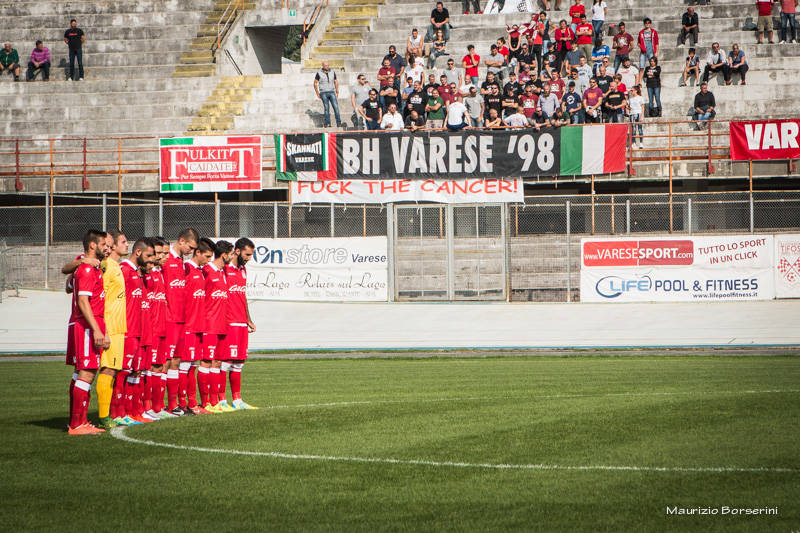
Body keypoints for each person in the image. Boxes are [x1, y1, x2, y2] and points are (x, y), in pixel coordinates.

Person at [67, 230, 110, 434]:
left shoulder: (93, 268)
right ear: (92, 245)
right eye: (103, 244)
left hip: (92, 324)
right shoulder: (85, 269)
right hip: (85, 325)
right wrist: (95, 330)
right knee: (86, 372)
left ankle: (80, 421)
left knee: (82, 373)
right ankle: (77, 424)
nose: (106, 248)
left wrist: (104, 330)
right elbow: (83, 302)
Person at [110, 239, 155, 426]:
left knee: (135, 373)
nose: (153, 259)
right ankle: (117, 413)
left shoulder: (136, 274)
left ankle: (132, 411)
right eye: (149, 255)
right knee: (122, 373)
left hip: (138, 331)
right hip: (126, 330)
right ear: (138, 253)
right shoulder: (124, 271)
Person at [161, 228, 198, 417]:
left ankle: (173, 405)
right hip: (169, 319)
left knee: (176, 361)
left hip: (181, 319)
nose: (191, 251)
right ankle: (157, 406)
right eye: (190, 247)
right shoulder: (165, 259)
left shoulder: (181, 262)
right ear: (181, 240)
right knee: (164, 362)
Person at [223, 238, 258, 410]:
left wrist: (248, 318)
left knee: (239, 362)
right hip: (228, 322)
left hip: (241, 323)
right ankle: (221, 400)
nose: (249, 258)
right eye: (247, 254)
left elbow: (242, 296)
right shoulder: (225, 269)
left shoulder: (243, 270)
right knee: (225, 361)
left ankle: (237, 400)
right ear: (237, 251)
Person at [199, 240, 233, 413]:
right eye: (231, 253)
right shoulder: (207, 271)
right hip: (209, 324)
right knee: (206, 362)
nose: (233, 257)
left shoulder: (222, 273)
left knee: (217, 362)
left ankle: (215, 401)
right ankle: (206, 402)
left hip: (222, 324)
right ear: (224, 254)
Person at [182, 239, 213, 413]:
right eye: (207, 256)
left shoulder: (201, 272)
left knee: (191, 367)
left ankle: (192, 403)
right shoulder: (186, 269)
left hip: (198, 326)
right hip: (188, 326)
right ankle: (182, 404)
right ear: (198, 253)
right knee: (183, 367)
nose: (209, 260)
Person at [142, 237, 170, 420]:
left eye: (164, 253)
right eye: (159, 253)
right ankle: (146, 407)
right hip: (149, 327)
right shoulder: (145, 274)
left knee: (160, 366)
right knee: (148, 367)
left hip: (161, 326)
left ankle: (158, 407)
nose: (162, 256)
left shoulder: (159, 273)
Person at [313, 61, 342, 128]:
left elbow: (336, 82)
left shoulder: (332, 72)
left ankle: (339, 123)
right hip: (323, 93)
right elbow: (315, 83)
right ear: (322, 66)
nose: (327, 67)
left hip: (332, 92)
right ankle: (327, 123)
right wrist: (317, 93)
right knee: (326, 108)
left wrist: (337, 92)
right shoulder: (319, 73)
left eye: (328, 65)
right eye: (325, 65)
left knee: (336, 107)